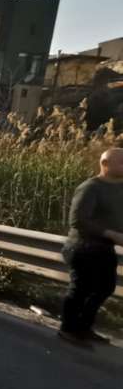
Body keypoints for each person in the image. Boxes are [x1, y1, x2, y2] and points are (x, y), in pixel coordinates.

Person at [59, 148, 123, 345]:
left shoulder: (120, 188)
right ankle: (68, 329)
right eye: (122, 162)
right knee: (81, 289)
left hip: (105, 248)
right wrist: (110, 233)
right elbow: (78, 220)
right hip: (83, 247)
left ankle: (84, 327)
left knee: (105, 287)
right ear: (105, 164)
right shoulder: (90, 187)